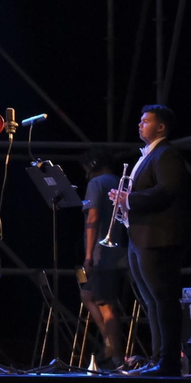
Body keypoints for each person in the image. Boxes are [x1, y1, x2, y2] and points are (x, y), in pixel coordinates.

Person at [112, 104, 188, 376]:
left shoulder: (166, 153)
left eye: (146, 121)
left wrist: (129, 199)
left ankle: (169, 362)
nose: (140, 124)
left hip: (157, 238)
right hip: (140, 237)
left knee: (163, 300)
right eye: (141, 120)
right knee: (152, 302)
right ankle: (158, 359)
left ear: (161, 127)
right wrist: (123, 202)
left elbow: (167, 190)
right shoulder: (148, 155)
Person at [80, 148, 127, 370]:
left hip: (102, 254)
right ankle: (108, 342)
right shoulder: (119, 181)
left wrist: (88, 255)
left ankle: (117, 357)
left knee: (106, 305)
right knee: (87, 294)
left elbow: (93, 217)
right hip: (121, 252)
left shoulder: (96, 183)